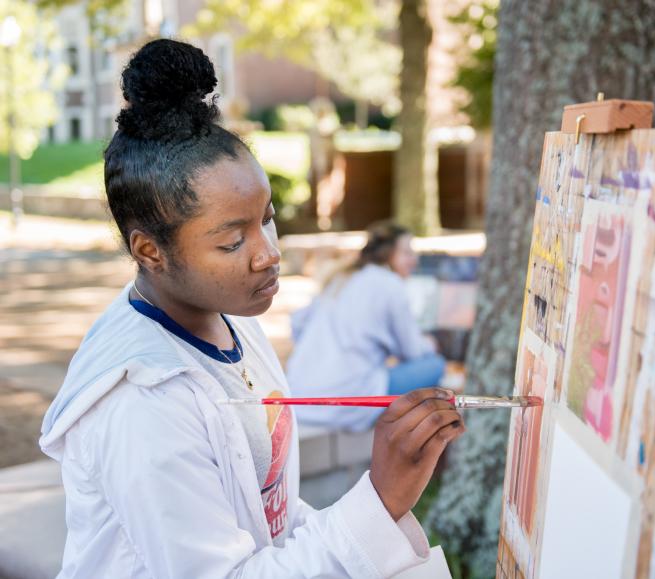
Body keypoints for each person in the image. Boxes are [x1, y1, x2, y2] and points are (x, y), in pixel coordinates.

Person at [39, 39, 464, 579]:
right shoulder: (141, 405)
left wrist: (375, 511)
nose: (269, 252)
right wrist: (378, 502)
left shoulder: (230, 320)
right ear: (150, 251)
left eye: (266, 218)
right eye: (231, 241)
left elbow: (271, 526)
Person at [286, 222, 447, 431]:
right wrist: (430, 344)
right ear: (388, 255)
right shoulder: (391, 284)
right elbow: (412, 352)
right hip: (345, 399)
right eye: (407, 253)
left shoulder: (342, 277)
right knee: (435, 364)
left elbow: (297, 323)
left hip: (300, 397)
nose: (414, 260)